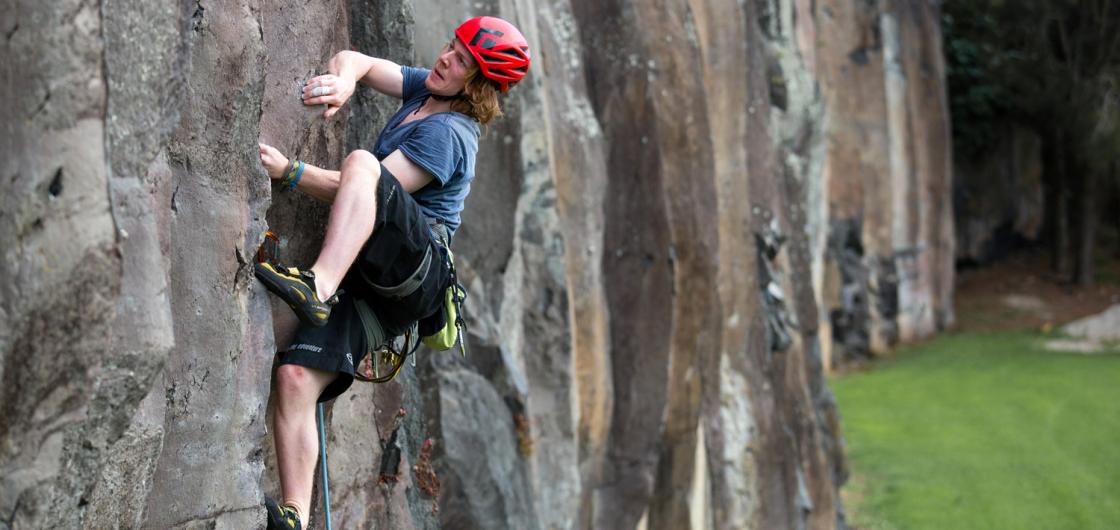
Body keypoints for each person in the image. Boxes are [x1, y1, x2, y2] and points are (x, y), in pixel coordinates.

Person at [253, 16, 530, 530]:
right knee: (294, 378)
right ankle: (295, 514)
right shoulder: (430, 88)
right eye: (452, 45)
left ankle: (317, 284)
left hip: (414, 276)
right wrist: (343, 78)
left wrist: (289, 172)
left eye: (462, 60)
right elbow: (364, 60)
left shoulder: (449, 133)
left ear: (478, 86)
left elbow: (354, 187)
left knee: (363, 164)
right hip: (376, 282)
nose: (447, 58)